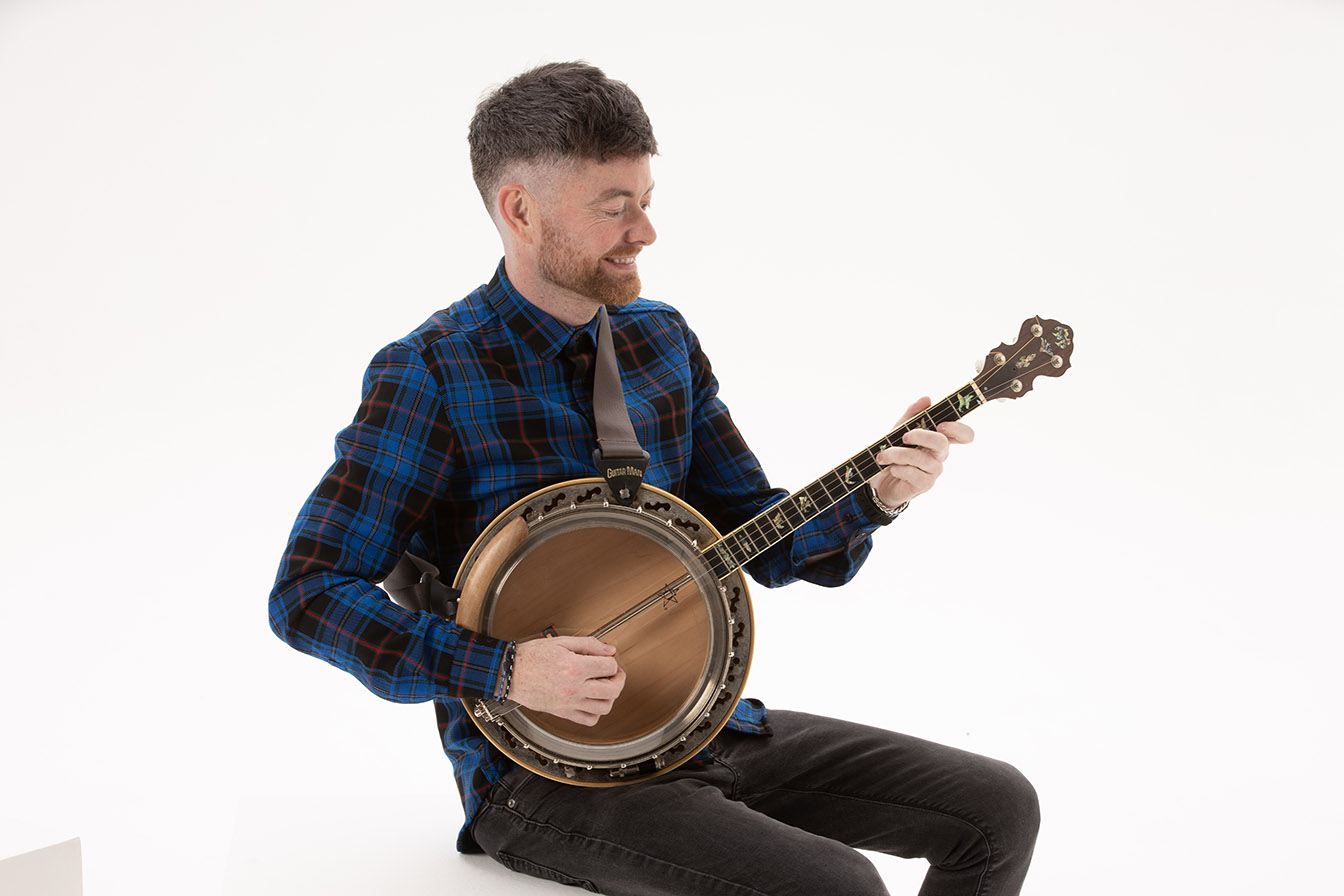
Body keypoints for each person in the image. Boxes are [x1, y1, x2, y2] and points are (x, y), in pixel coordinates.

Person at [269, 61, 1039, 895]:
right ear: (519, 210)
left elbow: (764, 537)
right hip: (542, 779)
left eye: (646, 201)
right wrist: (504, 669)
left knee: (997, 810)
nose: (644, 233)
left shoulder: (657, 342)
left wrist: (880, 493)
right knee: (837, 886)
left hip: (700, 724)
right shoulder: (431, 375)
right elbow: (307, 595)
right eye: (614, 208)